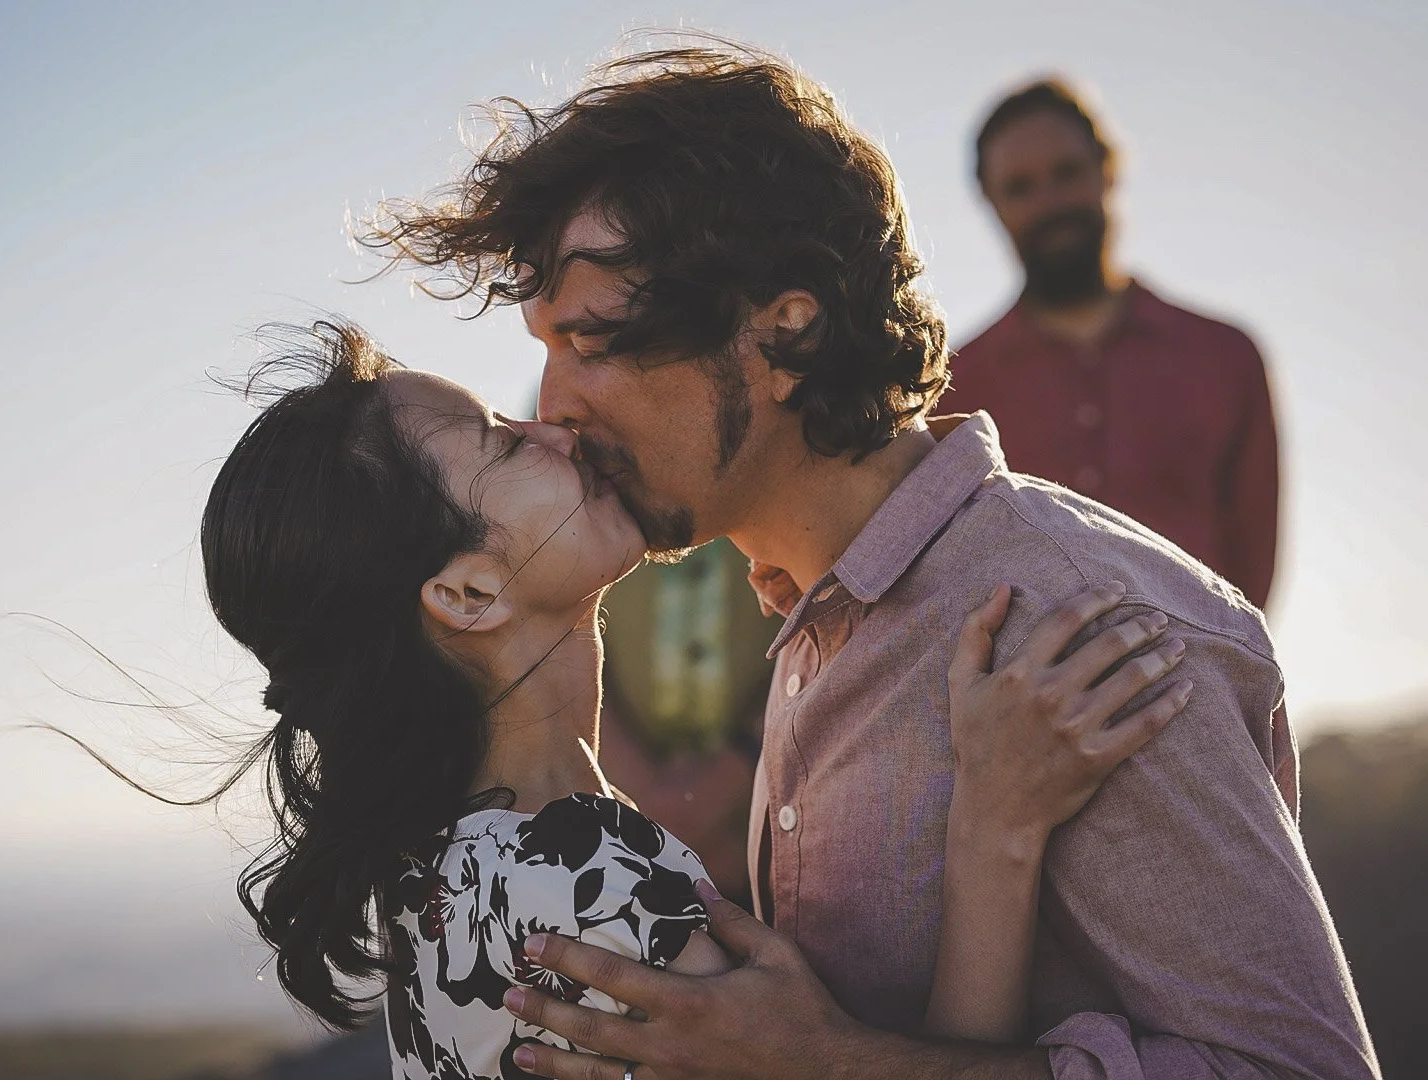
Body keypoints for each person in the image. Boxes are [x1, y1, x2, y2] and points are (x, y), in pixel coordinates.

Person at [366, 41, 1378, 1079]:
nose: (552, 409)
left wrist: (835, 1063)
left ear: (781, 330)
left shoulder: (1074, 626)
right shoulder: (813, 620)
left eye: (589, 343)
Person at [196, 321, 1185, 1078]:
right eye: (500, 445)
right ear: (466, 594)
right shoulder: (577, 875)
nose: (549, 426)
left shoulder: (453, 874)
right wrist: (995, 827)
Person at [939, 79, 1280, 610]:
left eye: (1066, 173)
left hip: (1202, 685)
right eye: (1021, 187)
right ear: (992, 203)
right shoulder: (952, 389)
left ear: (1108, 169)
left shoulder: (1226, 358)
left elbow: (1255, 562)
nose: (1049, 202)